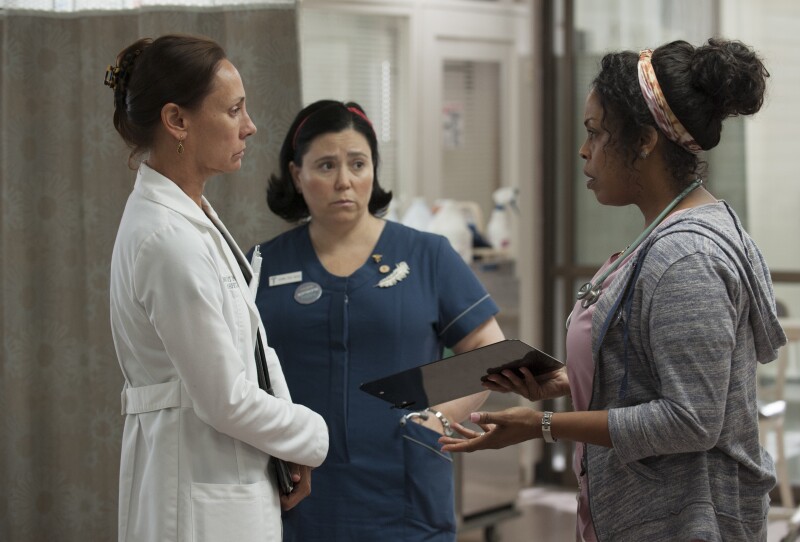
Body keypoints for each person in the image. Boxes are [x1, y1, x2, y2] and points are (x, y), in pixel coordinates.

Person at [440, 38, 786, 542]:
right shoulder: (665, 237)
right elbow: (653, 375)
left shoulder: (686, 257)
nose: (584, 150)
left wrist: (543, 426)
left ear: (645, 141)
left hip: (685, 523)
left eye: (596, 133)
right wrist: (567, 380)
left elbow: (691, 420)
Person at [106, 34, 329, 542]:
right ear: (177, 121)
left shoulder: (190, 216)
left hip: (222, 475)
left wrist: (290, 444)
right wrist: (313, 435)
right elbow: (225, 398)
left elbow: (252, 346)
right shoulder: (167, 239)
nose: (249, 126)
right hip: (195, 492)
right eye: (233, 110)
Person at [251, 99, 505, 541]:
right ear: (296, 174)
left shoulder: (428, 255)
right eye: (326, 165)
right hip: (296, 495)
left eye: (358, 163)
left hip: (406, 489)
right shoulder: (262, 265)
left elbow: (489, 354)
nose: (344, 181)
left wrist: (437, 419)